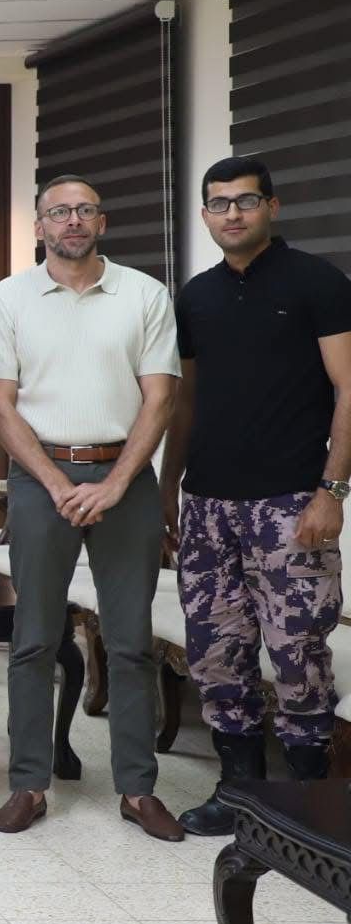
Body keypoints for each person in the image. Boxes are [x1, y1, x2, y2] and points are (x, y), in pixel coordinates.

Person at [0, 175, 183, 840]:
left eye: (84, 210)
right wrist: (52, 482)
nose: (72, 221)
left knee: (130, 642)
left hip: (126, 476)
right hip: (41, 476)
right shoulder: (6, 299)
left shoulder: (144, 294)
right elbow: (0, 405)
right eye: (58, 212)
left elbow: (160, 398)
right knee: (34, 639)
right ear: (39, 225)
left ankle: (138, 790)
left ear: (102, 221)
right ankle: (29, 785)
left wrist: (117, 483)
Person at [161, 157, 351, 834]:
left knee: (298, 652)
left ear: (272, 206)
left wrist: (332, 491)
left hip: (291, 503)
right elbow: (184, 402)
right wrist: (168, 487)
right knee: (216, 652)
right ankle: (238, 794)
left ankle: (310, 804)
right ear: (205, 215)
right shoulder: (196, 296)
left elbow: (349, 388)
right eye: (219, 203)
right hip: (208, 505)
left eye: (245, 201)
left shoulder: (318, 283)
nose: (232, 214)